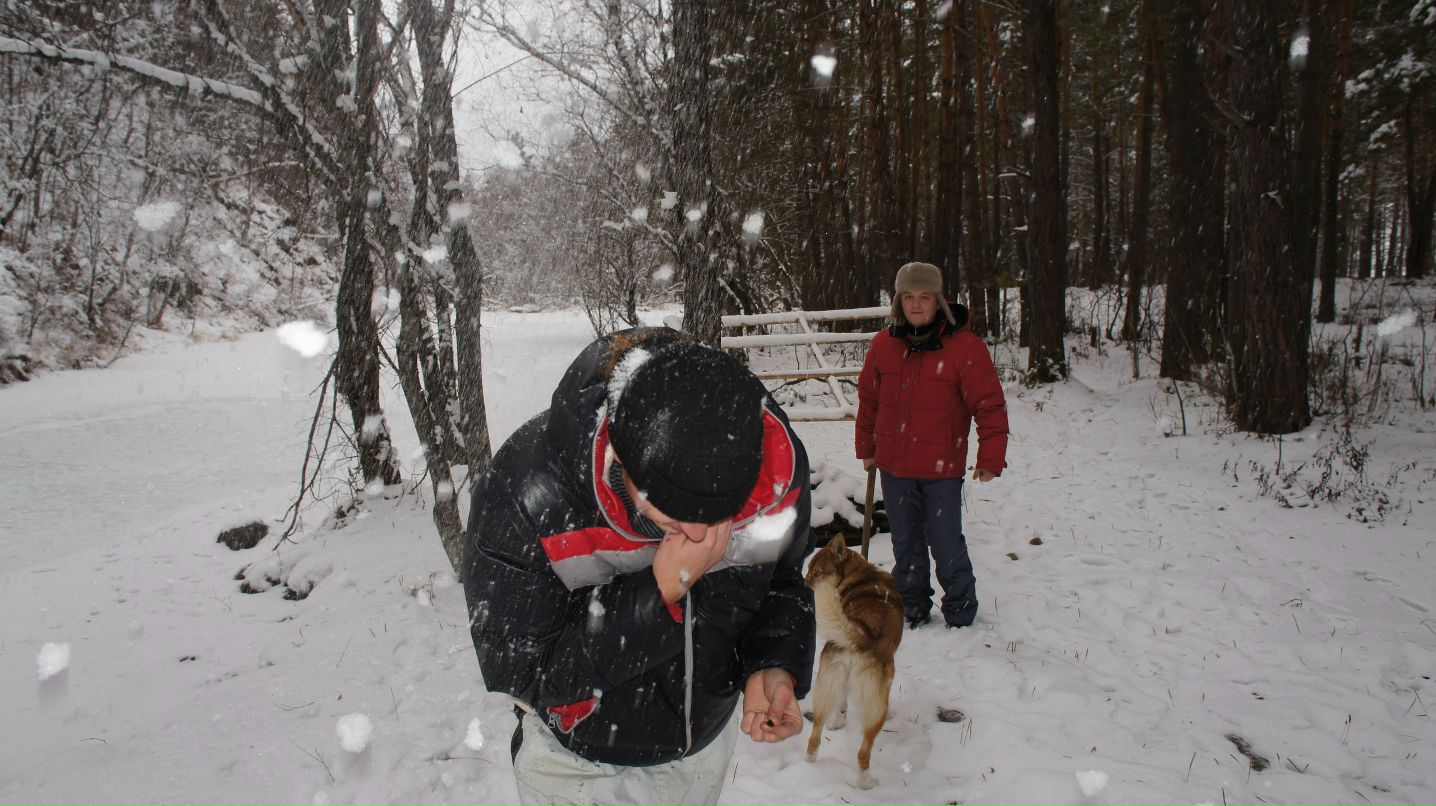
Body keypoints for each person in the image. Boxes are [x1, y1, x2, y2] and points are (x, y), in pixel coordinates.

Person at [462, 327, 815, 806]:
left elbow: (781, 581)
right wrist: (660, 589)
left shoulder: (774, 472)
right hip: (574, 766)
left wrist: (772, 662)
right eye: (674, 516)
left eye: (721, 515)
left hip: (702, 753)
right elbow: (524, 672)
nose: (700, 539)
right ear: (621, 459)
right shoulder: (525, 494)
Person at [855, 262, 1009, 630]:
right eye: (908, 297)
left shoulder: (964, 348)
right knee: (905, 544)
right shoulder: (884, 345)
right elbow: (869, 401)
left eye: (924, 297)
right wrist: (867, 448)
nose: (916, 305)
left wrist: (991, 457)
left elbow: (989, 405)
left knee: (945, 543)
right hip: (894, 467)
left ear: (938, 301)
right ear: (898, 301)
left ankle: (959, 607)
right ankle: (912, 606)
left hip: (941, 468)